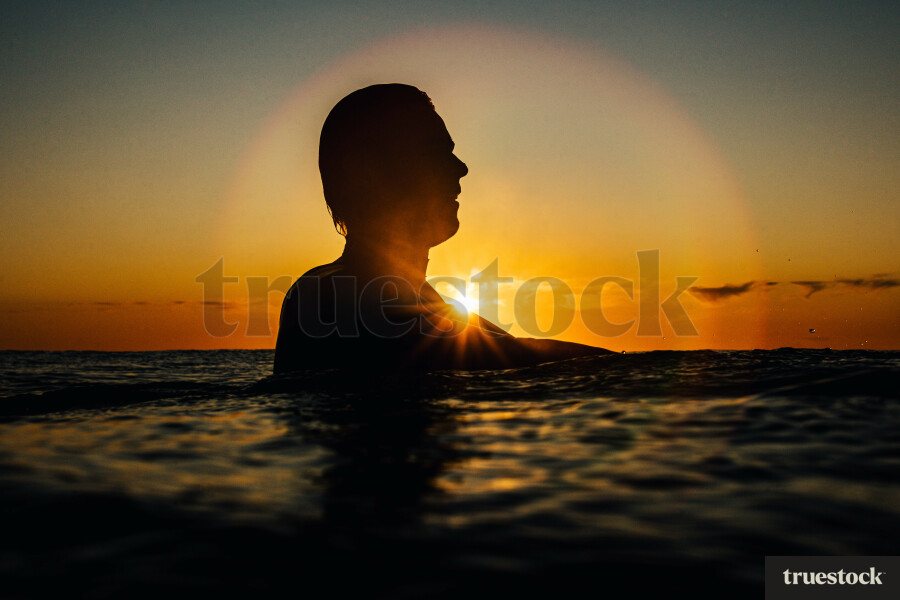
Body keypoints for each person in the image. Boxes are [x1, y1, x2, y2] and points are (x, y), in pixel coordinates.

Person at [274, 84, 608, 373]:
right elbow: (516, 358)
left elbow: (512, 350)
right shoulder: (330, 294)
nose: (461, 168)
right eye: (436, 153)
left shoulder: (426, 302)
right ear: (374, 174)